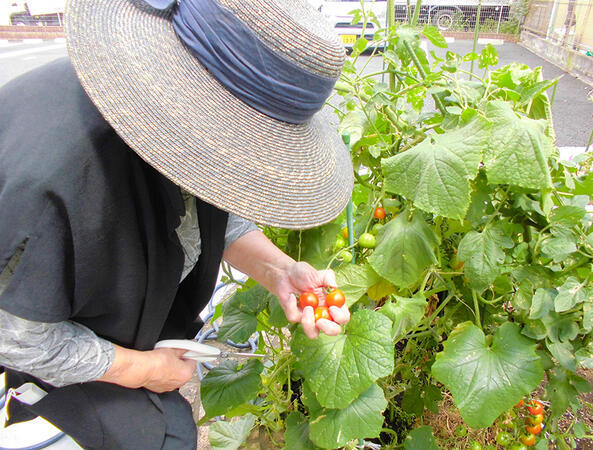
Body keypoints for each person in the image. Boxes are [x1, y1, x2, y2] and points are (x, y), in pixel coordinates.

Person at [0, 0, 353, 448]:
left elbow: (210, 216)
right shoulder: (52, 179)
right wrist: (142, 369)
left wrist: (281, 273)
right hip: (43, 357)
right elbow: (18, 337)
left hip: (120, 327)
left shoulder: (176, 129)